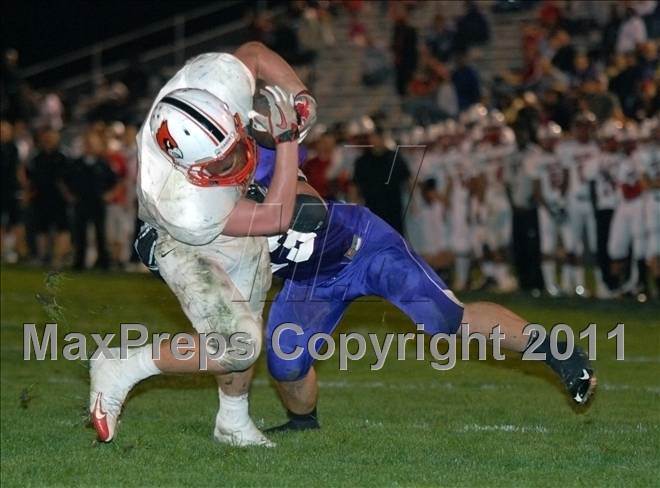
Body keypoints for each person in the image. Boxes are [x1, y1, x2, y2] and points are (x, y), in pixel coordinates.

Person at [235, 149, 596, 433]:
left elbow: (309, 206)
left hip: (364, 248)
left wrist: (267, 203)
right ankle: (303, 423)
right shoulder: (207, 212)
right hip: (308, 280)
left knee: (448, 320)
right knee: (285, 364)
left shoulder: (260, 159)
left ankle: (558, 352)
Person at [87, 42, 317, 448]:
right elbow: (276, 217)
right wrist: (287, 140)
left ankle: (233, 421)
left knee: (247, 313)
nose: (236, 164)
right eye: (221, 164)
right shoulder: (184, 203)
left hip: (229, 213)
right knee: (238, 344)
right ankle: (122, 366)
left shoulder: (217, 82)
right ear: (191, 168)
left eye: (234, 149)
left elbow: (255, 53)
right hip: (179, 241)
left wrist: (299, 96)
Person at [64, 130, 116, 271]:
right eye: (88, 144)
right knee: (80, 233)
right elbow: (65, 180)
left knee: (100, 233)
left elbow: (115, 181)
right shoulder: (76, 163)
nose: (90, 147)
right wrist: (69, 195)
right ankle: (79, 262)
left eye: (93, 144)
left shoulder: (103, 164)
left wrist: (109, 194)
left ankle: (103, 262)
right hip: (81, 202)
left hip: (98, 202)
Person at [25, 127, 70, 268]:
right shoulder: (37, 158)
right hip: (40, 197)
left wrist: (67, 194)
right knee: (41, 228)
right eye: (46, 137)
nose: (48, 140)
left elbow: (67, 179)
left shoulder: (63, 157)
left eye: (51, 137)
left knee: (62, 228)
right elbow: (30, 178)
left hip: (59, 198)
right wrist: (29, 193)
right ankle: (43, 256)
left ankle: (58, 258)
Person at [353, 127, 411, 235]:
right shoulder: (362, 161)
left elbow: (407, 179)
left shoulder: (395, 158)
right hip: (372, 210)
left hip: (394, 209)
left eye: (376, 137)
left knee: (395, 238)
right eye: (372, 138)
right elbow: (355, 186)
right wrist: (355, 206)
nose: (374, 141)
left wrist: (413, 202)